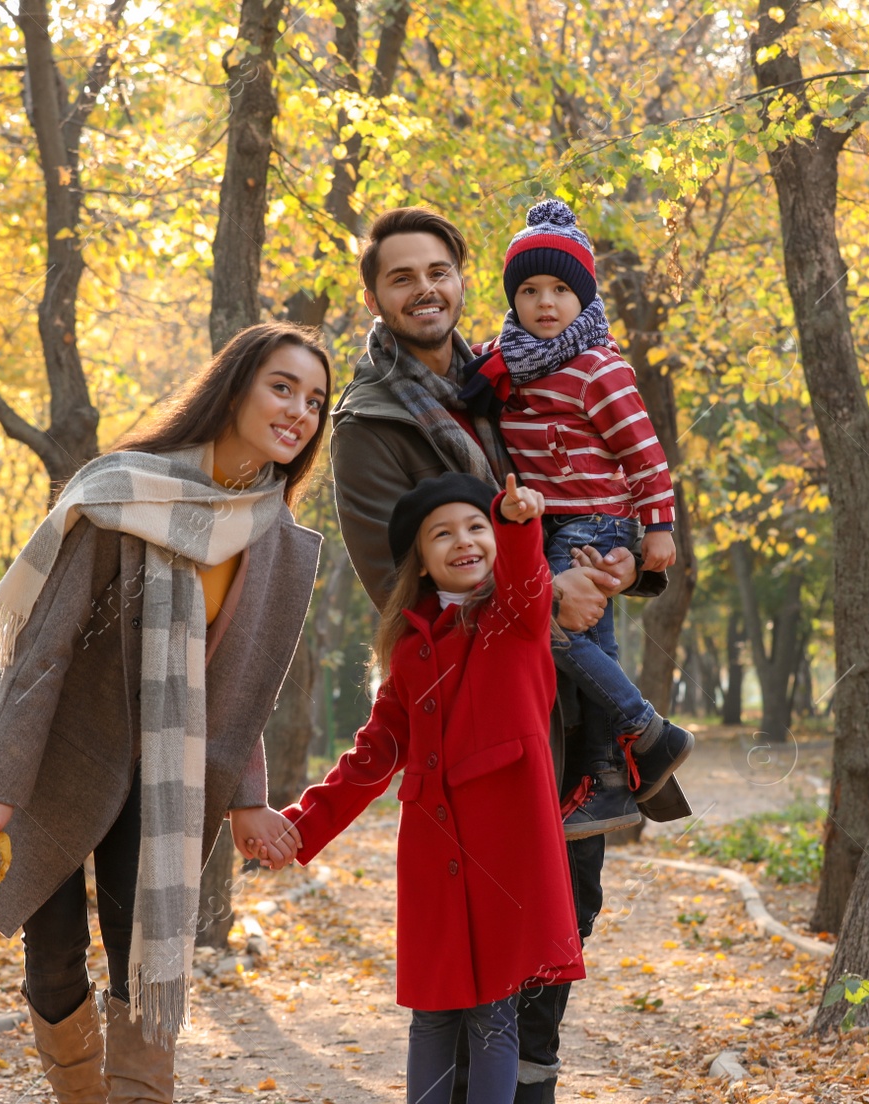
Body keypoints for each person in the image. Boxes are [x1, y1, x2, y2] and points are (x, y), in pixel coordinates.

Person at [328, 206, 691, 1103]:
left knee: (568, 923)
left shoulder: (510, 382)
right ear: (376, 295)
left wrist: (610, 567)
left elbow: (591, 484)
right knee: (486, 951)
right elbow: (394, 584)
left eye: (438, 271)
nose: (425, 289)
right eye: (401, 276)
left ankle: (532, 1089)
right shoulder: (372, 422)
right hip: (477, 726)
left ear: (461, 278)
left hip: (559, 711)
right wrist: (534, 596)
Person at [0, 321, 331, 1104]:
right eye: (282, 387)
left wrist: (250, 800)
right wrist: (0, 777)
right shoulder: (125, 488)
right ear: (235, 389)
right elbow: (43, 646)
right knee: (52, 965)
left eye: (316, 400)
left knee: (142, 961)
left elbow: (245, 689)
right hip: (54, 752)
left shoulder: (279, 541)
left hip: (165, 775)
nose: (299, 411)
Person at [279, 472, 583, 1104]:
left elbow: (528, 574)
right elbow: (372, 755)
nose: (464, 541)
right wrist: (302, 828)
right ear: (420, 558)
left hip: (506, 852)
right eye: (442, 533)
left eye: (476, 527)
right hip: (433, 852)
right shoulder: (408, 652)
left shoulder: (517, 617)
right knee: (432, 1015)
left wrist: (519, 520)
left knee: (495, 1017)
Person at [460, 198, 694, 840]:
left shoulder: (598, 366)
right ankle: (611, 788)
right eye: (529, 289)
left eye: (560, 289)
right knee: (593, 647)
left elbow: (644, 452)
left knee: (548, 627)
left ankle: (651, 730)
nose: (544, 302)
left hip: (595, 521)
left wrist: (658, 526)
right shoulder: (504, 363)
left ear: (583, 299)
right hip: (547, 524)